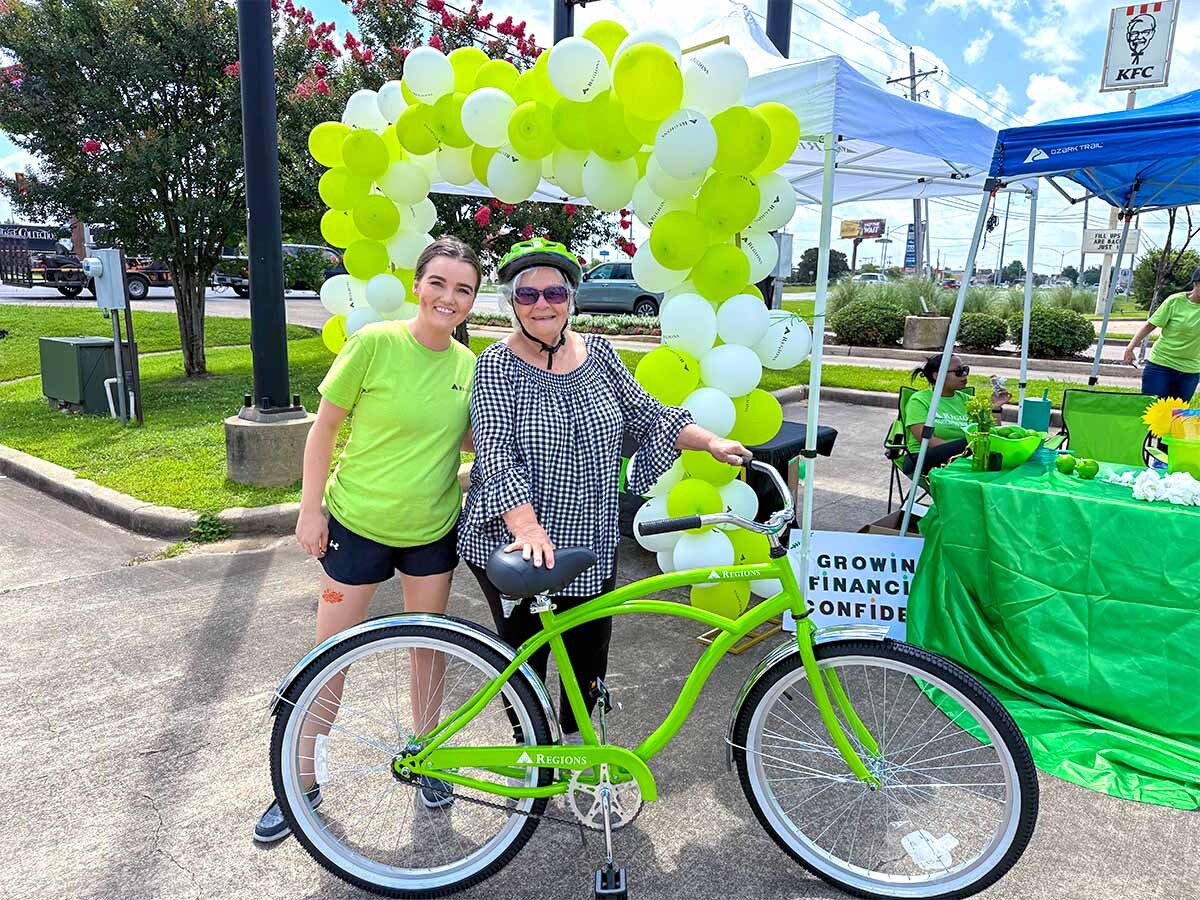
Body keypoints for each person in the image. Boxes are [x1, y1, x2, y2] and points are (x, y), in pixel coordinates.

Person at [457, 238, 750, 744]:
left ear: (571, 298)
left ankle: (576, 748)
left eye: (553, 292)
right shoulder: (496, 365)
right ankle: (530, 746)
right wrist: (527, 528)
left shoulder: (601, 356)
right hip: (517, 537)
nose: (542, 304)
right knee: (522, 655)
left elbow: (649, 414)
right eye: (527, 296)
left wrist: (711, 442)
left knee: (589, 654)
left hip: (588, 540)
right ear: (512, 303)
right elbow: (497, 451)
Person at [254, 236, 481, 842]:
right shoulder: (375, 343)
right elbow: (323, 426)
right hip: (355, 526)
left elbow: (469, 438)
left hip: (431, 530)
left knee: (428, 650)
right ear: (418, 285)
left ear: (472, 301)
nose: (448, 298)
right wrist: (311, 509)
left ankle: (428, 756)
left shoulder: (471, 368)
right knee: (328, 657)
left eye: (463, 289)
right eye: (439, 283)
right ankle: (297, 781)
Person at [902, 353, 1010, 476]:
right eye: (958, 371)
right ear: (938, 376)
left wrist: (995, 407)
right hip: (923, 459)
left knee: (990, 445)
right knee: (976, 443)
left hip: (963, 456)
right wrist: (968, 452)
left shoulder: (969, 401)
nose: (964, 374)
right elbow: (927, 440)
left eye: (965, 370)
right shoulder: (920, 400)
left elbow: (991, 433)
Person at [1123, 266, 1200, 402]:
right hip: (1161, 365)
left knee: (1176, 417)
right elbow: (1150, 325)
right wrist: (1130, 347)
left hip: (1190, 370)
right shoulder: (1175, 301)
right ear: (1195, 283)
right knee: (1152, 411)